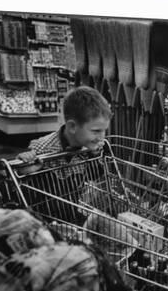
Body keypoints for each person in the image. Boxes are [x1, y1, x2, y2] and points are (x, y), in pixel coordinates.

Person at [15, 86, 113, 222]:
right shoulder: (43, 149)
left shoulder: (87, 148)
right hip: (41, 218)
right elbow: (20, 180)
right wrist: (24, 167)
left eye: (104, 131)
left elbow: (95, 175)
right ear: (72, 126)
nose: (101, 137)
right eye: (96, 131)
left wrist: (95, 155)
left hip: (69, 212)